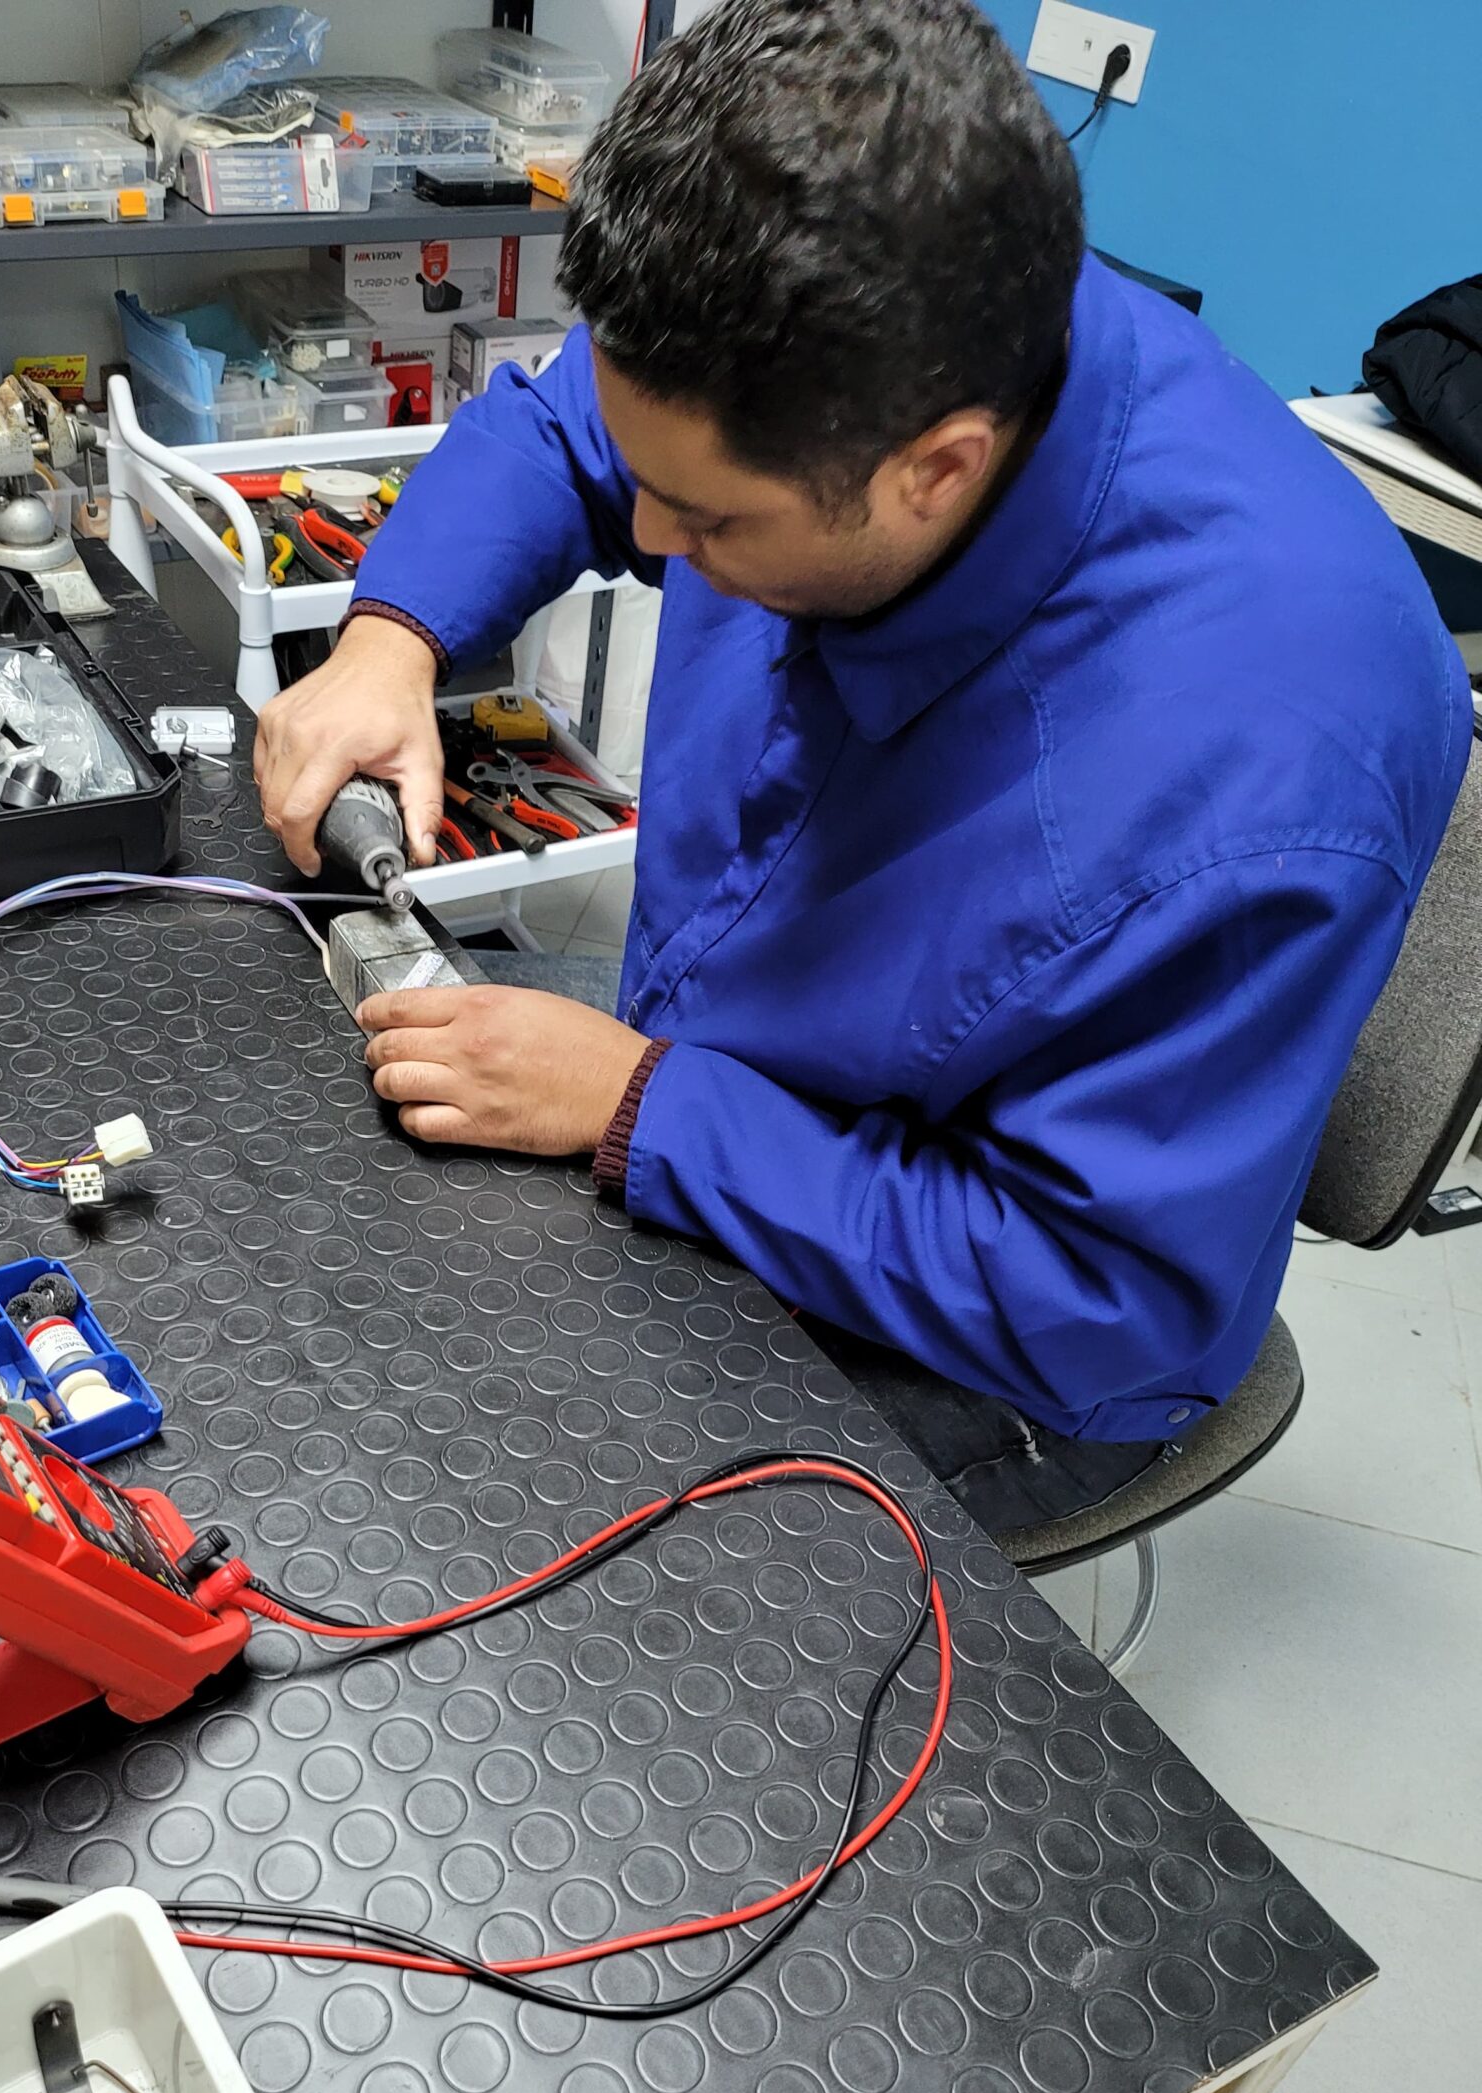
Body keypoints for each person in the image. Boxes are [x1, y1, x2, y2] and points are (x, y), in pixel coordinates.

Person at [254, 0, 1471, 1538]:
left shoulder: (1252, 783)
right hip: (736, 1079)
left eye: (708, 521)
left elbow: (1097, 1298)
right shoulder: (862, 336)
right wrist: (394, 636)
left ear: (935, 472)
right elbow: (579, 433)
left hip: (1012, 1335)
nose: (645, 537)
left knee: (530, 1530)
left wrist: (647, 1107)